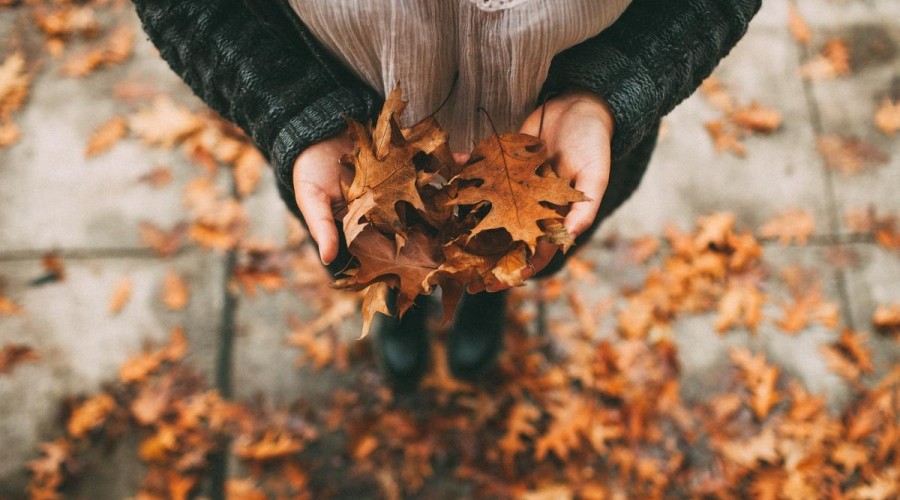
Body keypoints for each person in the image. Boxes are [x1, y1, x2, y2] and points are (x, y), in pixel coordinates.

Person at [131, 0, 762, 392]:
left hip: (550, 155)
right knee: (384, 253)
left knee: (515, 255)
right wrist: (292, 108)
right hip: (352, 143)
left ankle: (488, 296)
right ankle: (400, 304)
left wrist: (613, 85)